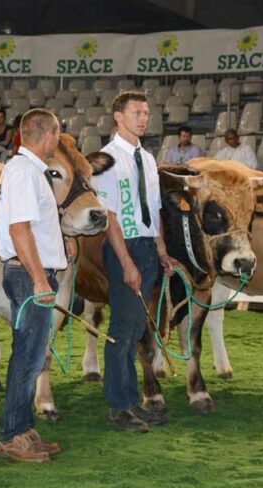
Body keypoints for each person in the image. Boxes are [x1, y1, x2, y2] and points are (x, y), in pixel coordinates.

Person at [91, 91, 174, 433]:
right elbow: (108, 214)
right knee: (122, 331)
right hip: (123, 245)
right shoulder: (106, 159)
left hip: (147, 246)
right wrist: (125, 261)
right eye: (137, 112)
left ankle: (129, 401)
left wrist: (162, 249)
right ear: (118, 116)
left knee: (137, 328)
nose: (144, 117)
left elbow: (153, 209)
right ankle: (119, 406)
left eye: (146, 111)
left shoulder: (149, 158)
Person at [0, 108, 66, 462]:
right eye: (58, 134)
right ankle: (11, 436)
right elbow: (18, 229)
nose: (58, 140)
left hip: (29, 273)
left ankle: (21, 429)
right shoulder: (23, 172)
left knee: (32, 354)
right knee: (28, 355)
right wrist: (39, 278)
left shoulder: (24, 170)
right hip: (28, 275)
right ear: (48, 135)